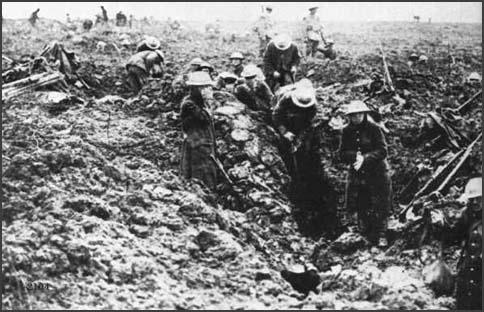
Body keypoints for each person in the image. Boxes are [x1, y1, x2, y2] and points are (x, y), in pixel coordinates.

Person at [273, 81, 337, 237]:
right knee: (285, 152)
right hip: (285, 123)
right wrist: (285, 132)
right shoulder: (285, 98)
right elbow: (276, 117)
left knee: (305, 156)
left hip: (300, 126)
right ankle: (293, 181)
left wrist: (300, 140)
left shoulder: (312, 105)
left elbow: (308, 124)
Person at [339, 100, 392, 247]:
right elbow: (342, 153)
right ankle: (364, 233)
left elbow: (382, 151)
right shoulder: (346, 130)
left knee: (381, 202)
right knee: (360, 200)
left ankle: (382, 234)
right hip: (358, 171)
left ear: (364, 114)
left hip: (377, 170)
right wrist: (355, 157)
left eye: (359, 114)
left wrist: (366, 158)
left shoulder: (374, 128)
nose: (356, 118)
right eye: (353, 115)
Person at [180, 71, 218, 190]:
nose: (208, 90)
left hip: (204, 144)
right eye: (205, 87)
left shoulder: (197, 103)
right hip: (197, 145)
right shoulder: (189, 104)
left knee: (208, 173)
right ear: (197, 89)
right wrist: (209, 102)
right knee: (201, 176)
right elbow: (204, 119)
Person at [453, 177, 482, 310]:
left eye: (479, 198)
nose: (475, 202)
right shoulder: (467, 215)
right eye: (472, 199)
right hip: (467, 273)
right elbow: (452, 237)